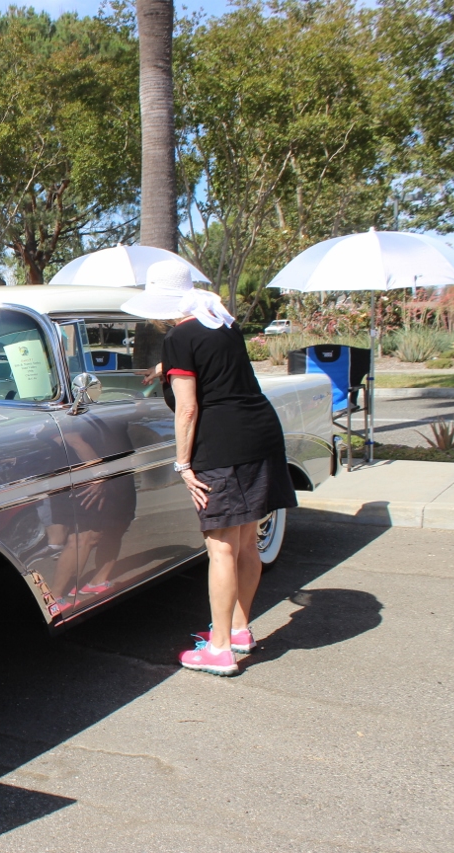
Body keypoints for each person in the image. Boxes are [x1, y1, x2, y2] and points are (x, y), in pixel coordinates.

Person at [122, 260, 297, 676]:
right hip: (261, 434)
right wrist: (165, 369)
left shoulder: (179, 336)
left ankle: (218, 650)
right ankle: (238, 630)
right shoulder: (221, 320)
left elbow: (188, 409)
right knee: (247, 541)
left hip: (221, 444)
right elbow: (215, 361)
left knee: (220, 547)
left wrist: (182, 464)